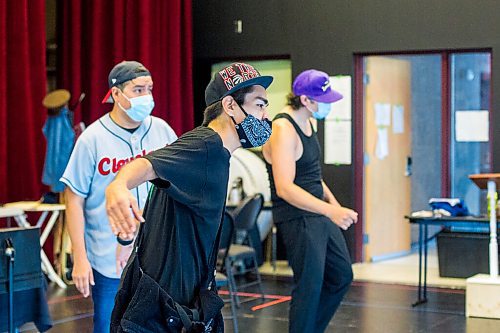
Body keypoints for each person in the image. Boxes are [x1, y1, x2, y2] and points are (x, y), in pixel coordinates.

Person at [104, 62, 273, 332]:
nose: (265, 116)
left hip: (182, 305)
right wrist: (118, 186)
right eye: (259, 105)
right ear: (230, 106)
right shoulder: (203, 144)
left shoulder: (218, 154)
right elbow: (146, 165)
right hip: (160, 309)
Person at [60, 60, 178, 333]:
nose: (146, 96)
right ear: (116, 94)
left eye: (149, 88)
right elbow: (74, 198)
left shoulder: (161, 130)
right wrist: (79, 256)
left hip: (156, 255)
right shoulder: (92, 138)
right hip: (108, 257)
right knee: (109, 325)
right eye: (138, 90)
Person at [262, 69, 358, 333]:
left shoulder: (309, 123)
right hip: (298, 216)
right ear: (306, 100)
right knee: (310, 285)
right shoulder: (283, 129)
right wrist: (330, 211)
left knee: (341, 275)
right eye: (324, 99)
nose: (328, 105)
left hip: (317, 211)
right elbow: (285, 187)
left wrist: (334, 205)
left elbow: (312, 175)